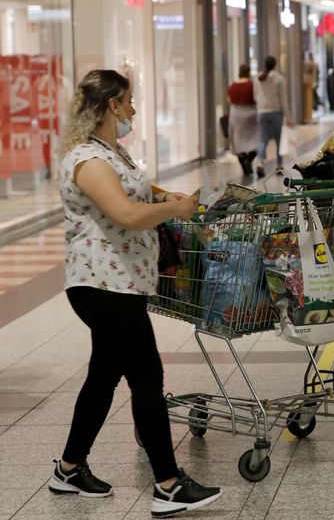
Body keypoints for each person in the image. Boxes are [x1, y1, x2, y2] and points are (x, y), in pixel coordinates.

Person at [51, 69, 220, 517]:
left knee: (104, 374)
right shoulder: (87, 159)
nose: (133, 109)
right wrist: (172, 208)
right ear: (111, 105)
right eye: (128, 101)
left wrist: (169, 197)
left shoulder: (112, 151)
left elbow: (137, 193)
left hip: (123, 281)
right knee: (147, 375)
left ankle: (69, 469)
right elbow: (125, 213)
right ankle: (167, 483)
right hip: (102, 285)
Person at [254, 55, 293, 177]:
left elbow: (255, 96)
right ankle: (279, 165)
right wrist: (288, 116)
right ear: (275, 65)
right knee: (278, 140)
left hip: (261, 112)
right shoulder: (279, 78)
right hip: (276, 112)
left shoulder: (258, 78)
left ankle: (260, 162)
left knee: (263, 139)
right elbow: (283, 99)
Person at [227, 64, 259, 175]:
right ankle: (248, 161)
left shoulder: (232, 86)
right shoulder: (252, 85)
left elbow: (229, 100)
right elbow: (257, 98)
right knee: (255, 141)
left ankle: (245, 166)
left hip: (236, 115)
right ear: (248, 73)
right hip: (251, 115)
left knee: (238, 143)